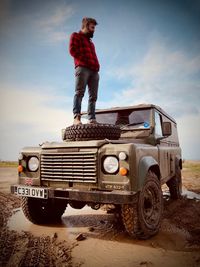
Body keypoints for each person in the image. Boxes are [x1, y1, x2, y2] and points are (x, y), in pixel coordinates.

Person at [69, 17, 100, 125]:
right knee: (79, 93)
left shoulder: (91, 43)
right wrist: (87, 62)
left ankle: (92, 118)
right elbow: (73, 51)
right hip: (82, 68)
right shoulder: (76, 36)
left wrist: (97, 66)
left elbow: (94, 57)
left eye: (94, 28)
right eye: (92, 27)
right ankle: (76, 118)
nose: (93, 30)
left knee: (93, 96)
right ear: (86, 26)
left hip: (94, 71)